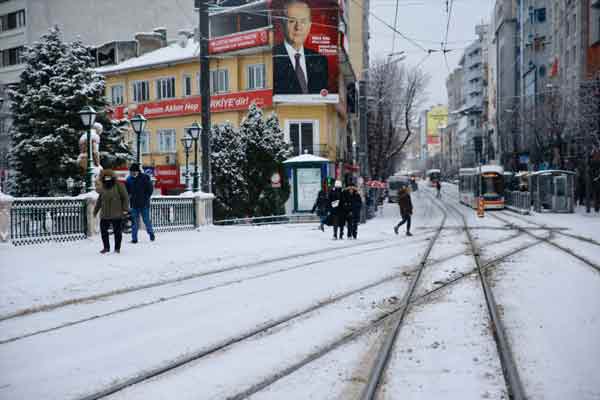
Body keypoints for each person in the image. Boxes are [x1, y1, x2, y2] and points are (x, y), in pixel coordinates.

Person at [273, 0, 329, 95]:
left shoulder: (320, 60)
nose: (298, 27)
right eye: (292, 21)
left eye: (303, 21)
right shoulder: (273, 57)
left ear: (309, 26)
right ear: (282, 24)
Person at [94, 170, 129, 254]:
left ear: (113, 177)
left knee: (117, 232)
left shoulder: (119, 185)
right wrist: (96, 210)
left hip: (116, 213)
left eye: (109, 177)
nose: (107, 179)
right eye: (105, 178)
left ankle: (117, 248)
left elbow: (125, 197)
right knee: (103, 231)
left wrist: (125, 209)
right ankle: (106, 247)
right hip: (105, 213)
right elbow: (100, 199)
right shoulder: (103, 187)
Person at [126, 163, 155, 243]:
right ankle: (134, 239)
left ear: (138, 171)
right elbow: (127, 192)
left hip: (144, 204)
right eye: (131, 172)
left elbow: (150, 189)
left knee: (146, 220)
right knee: (134, 222)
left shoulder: (145, 178)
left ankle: (151, 233)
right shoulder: (129, 180)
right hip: (134, 204)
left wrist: (146, 198)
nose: (133, 173)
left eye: (134, 171)